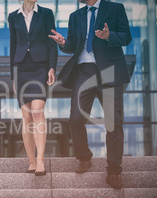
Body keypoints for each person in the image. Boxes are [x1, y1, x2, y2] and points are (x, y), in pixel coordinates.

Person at [49, 0, 132, 189]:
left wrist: (109, 35)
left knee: (113, 121)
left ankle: (113, 170)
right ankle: (84, 158)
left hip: (110, 69)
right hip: (84, 71)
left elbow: (126, 37)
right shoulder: (75, 16)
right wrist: (63, 43)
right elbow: (72, 45)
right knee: (76, 117)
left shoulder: (115, 8)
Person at [8, 0, 57, 176]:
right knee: (27, 116)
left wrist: (52, 67)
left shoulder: (46, 14)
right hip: (21, 68)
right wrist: (13, 76)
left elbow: (52, 43)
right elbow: (13, 47)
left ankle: (41, 160)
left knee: (37, 111)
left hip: (40, 67)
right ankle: (31, 161)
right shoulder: (13, 16)